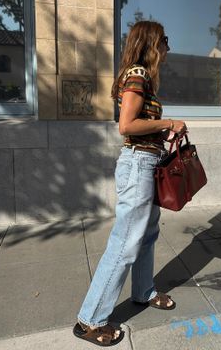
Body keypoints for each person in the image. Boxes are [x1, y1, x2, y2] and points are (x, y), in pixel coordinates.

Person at [73, 21, 187, 347]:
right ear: (151, 43)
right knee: (125, 242)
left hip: (147, 162)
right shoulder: (138, 74)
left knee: (147, 235)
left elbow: (140, 125)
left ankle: (143, 291)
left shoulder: (144, 78)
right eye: (164, 39)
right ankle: (90, 321)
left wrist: (162, 133)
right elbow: (126, 125)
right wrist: (168, 122)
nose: (168, 45)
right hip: (138, 165)